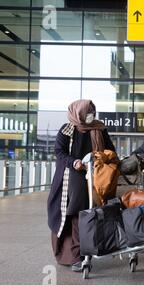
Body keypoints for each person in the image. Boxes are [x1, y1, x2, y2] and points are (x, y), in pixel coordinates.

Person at [47, 99, 115, 272]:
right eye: (88, 111)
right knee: (74, 214)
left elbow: (110, 151)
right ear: (78, 113)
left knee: (89, 214)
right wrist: (74, 162)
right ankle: (75, 256)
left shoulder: (100, 129)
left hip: (95, 178)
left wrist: (103, 159)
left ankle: (86, 253)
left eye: (93, 111)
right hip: (71, 178)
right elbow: (59, 151)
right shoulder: (67, 129)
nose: (91, 115)